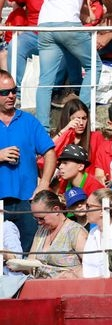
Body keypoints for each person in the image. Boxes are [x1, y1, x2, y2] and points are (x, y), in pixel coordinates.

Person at [35, 0, 112, 129]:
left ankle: (42, 128)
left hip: (45, 24)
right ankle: (82, 116)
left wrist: (83, 16)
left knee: (45, 80)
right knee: (94, 65)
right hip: (67, 24)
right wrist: (111, 11)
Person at [0, 70, 56, 252]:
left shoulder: (29, 121)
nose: (11, 95)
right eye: (4, 92)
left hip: (26, 200)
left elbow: (50, 152)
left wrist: (45, 183)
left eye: (13, 91)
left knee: (29, 253)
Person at [28, 190, 88, 277]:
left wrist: (73, 275)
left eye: (41, 218)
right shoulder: (41, 231)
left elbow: (93, 266)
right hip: (40, 286)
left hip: (67, 287)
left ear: (56, 210)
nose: (39, 222)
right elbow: (30, 263)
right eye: (35, 218)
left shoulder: (75, 232)